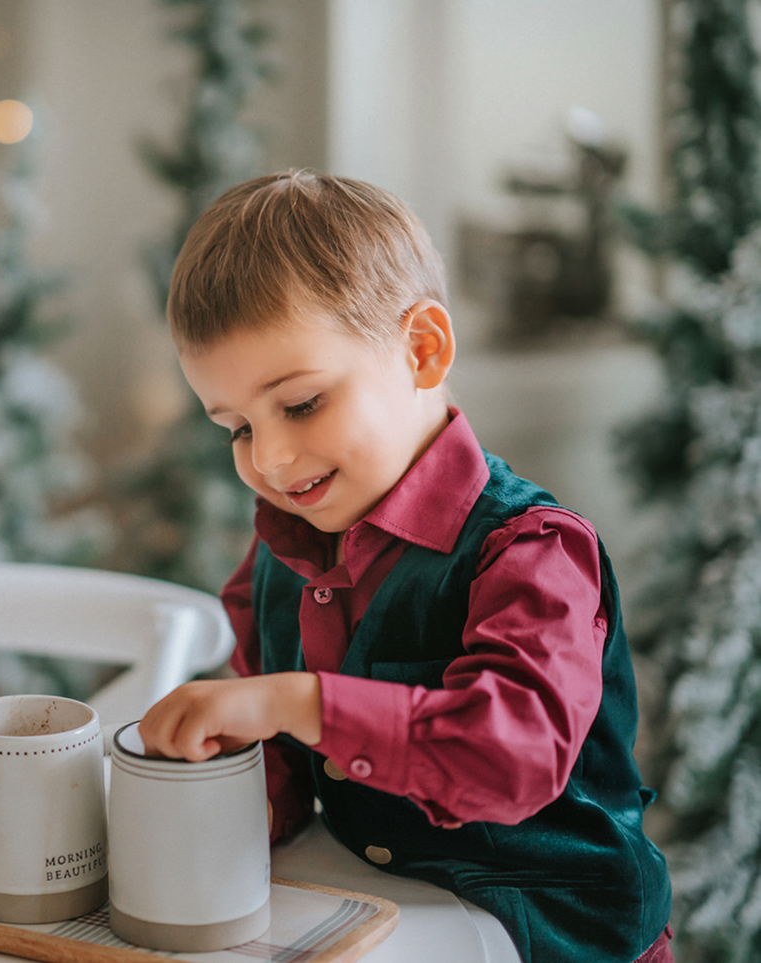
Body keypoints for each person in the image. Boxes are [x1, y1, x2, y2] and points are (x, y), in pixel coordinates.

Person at [137, 170, 672, 963]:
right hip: (386, 917)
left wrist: (297, 700)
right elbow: (282, 759)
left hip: (556, 934)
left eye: (301, 402)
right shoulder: (285, 546)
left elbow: (510, 754)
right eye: (237, 427)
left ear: (421, 348)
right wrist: (214, 797)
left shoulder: (531, 550)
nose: (272, 459)